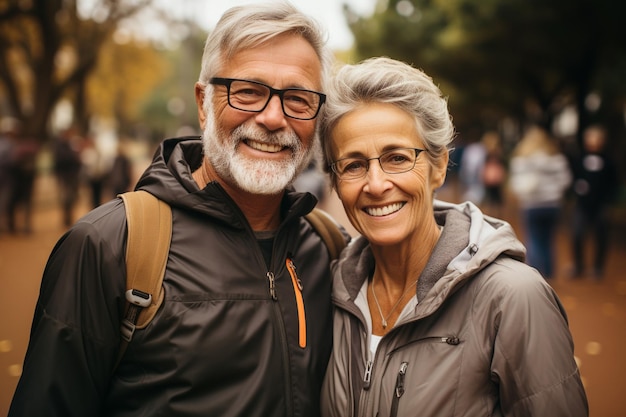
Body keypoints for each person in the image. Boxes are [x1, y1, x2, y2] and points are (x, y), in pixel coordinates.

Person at [9, 2, 345, 416]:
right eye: (248, 92)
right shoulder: (111, 246)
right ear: (204, 103)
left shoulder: (328, 247)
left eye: (297, 98)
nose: (274, 117)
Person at [318, 57, 587, 417]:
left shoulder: (512, 298)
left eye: (397, 158)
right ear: (335, 182)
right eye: (353, 165)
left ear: (439, 166)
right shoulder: (332, 290)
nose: (376, 184)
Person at [508, 126, 572, 279]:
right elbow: (566, 180)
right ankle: (550, 272)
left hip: (532, 205)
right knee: (549, 239)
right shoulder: (556, 159)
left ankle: (536, 273)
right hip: (552, 204)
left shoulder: (521, 160)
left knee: (534, 238)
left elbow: (516, 183)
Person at [569, 124, 619, 279]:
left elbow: (613, 184)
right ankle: (578, 266)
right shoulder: (580, 159)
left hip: (600, 205)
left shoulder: (609, 162)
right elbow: (573, 177)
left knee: (601, 235)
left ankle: (598, 267)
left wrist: (608, 201)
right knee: (577, 234)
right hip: (582, 204)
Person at [52, 127, 83, 227]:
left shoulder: (70, 145)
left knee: (71, 198)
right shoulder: (61, 146)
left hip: (72, 176)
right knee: (66, 197)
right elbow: (61, 160)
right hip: (65, 176)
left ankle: (69, 218)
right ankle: (66, 219)